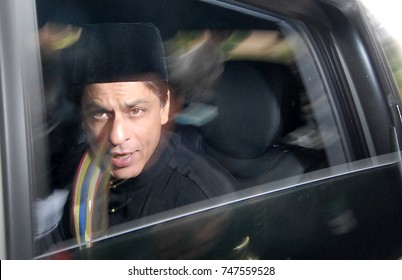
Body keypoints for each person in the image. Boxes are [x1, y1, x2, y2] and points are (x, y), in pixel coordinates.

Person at [53, 23, 237, 245]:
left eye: (136, 111)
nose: (117, 136)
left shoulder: (201, 201)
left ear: (164, 108)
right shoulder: (78, 166)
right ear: (83, 116)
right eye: (100, 114)